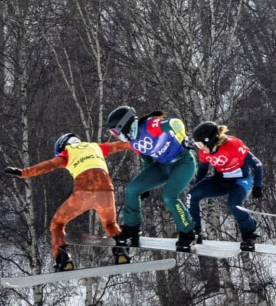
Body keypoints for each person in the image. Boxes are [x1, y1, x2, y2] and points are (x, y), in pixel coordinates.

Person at [4, 133, 132, 271]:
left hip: (84, 193)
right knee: (110, 224)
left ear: (63, 145)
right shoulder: (96, 147)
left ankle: (63, 258)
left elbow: (47, 165)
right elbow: (122, 145)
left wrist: (23, 173)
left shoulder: (67, 152)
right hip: (106, 192)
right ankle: (121, 251)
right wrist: (147, 141)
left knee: (57, 224)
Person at [106, 106, 197, 251]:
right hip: (162, 166)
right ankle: (131, 229)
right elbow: (147, 160)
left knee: (169, 196)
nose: (116, 135)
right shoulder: (132, 141)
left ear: (124, 125)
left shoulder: (149, 126)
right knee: (132, 189)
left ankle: (188, 232)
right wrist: (144, 184)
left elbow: (176, 123)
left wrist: (182, 138)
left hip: (182, 163)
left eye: (115, 131)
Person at [189, 122, 264, 251]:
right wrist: (197, 184)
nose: (200, 148)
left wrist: (258, 186)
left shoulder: (233, 145)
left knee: (234, 205)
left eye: (200, 144)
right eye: (197, 145)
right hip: (220, 180)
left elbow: (257, 164)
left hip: (240, 180)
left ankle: (248, 234)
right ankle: (195, 231)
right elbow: (203, 169)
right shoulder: (204, 152)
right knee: (192, 195)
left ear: (210, 140)